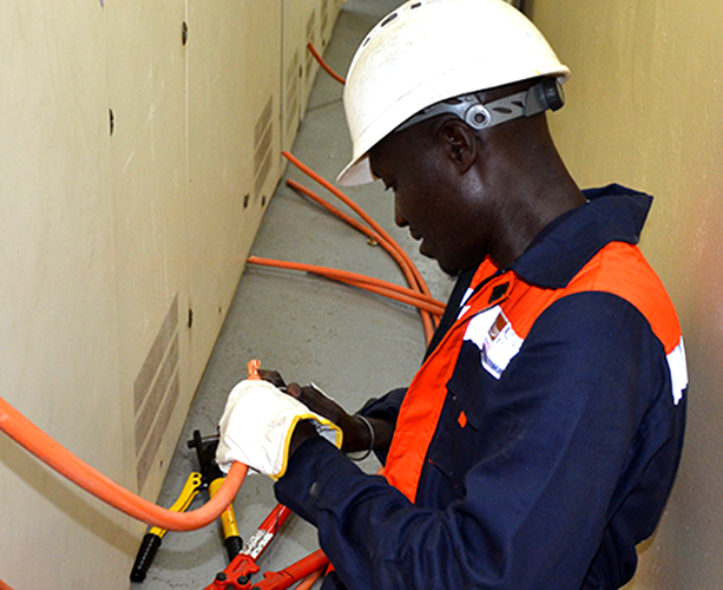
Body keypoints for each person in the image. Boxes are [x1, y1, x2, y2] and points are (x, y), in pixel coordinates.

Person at [216, 1, 688, 588]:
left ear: (457, 146)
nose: (400, 215)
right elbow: (481, 413)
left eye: (396, 184)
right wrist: (363, 431)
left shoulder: (594, 334)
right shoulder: (511, 268)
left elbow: (475, 575)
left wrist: (303, 459)